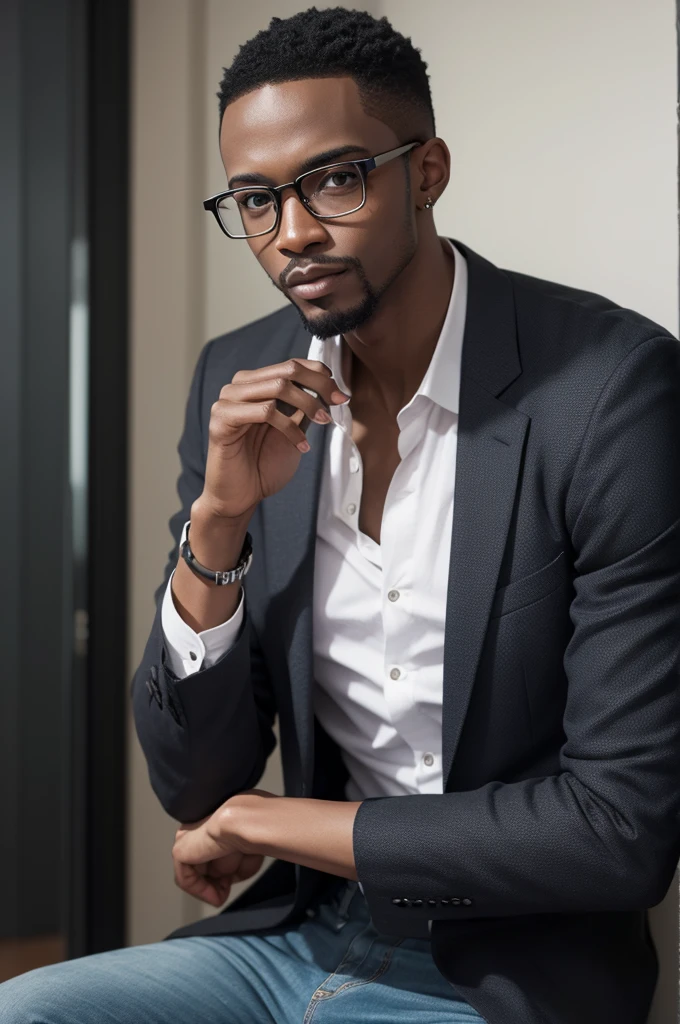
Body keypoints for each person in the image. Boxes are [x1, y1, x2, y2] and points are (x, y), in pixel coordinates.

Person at [3, 6, 680, 1024]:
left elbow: (618, 830)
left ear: (426, 170)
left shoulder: (608, 391)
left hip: (503, 971)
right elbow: (195, 781)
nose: (291, 234)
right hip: (293, 937)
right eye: (254, 200)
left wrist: (278, 823)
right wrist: (219, 521)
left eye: (334, 178)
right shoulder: (235, 376)